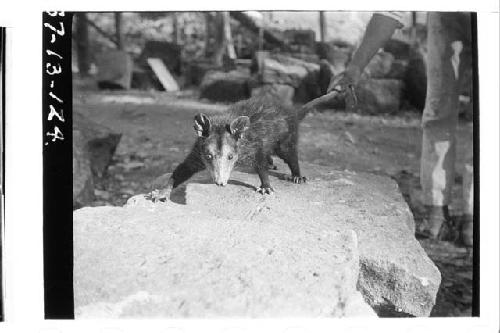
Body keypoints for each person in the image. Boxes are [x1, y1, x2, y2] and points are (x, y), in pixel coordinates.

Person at [327, 12, 474, 246]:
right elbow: (390, 10)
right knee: (438, 108)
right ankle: (436, 213)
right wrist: (355, 68)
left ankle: (474, 216)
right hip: (446, 15)